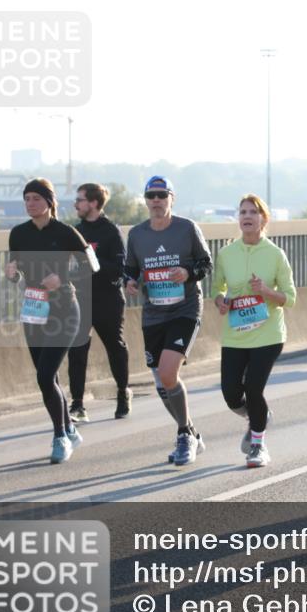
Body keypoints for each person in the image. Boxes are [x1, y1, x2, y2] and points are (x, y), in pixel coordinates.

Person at [5, 178, 99, 463]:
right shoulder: (18, 234)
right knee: (47, 380)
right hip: (34, 311)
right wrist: (13, 275)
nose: (30, 203)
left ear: (49, 202)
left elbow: (92, 265)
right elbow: (17, 271)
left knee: (45, 375)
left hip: (64, 311)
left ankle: (60, 437)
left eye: (36, 198)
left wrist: (64, 278)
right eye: (27, 198)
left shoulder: (66, 232)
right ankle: (69, 428)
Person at [124, 176, 211, 465]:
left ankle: (184, 434)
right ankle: (191, 432)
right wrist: (130, 282)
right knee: (162, 382)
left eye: (162, 194)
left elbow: (205, 263)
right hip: (153, 313)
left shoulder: (186, 228)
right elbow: (130, 270)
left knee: (168, 372)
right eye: (151, 195)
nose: (156, 200)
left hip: (184, 309)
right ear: (146, 200)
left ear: (172, 198)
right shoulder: (137, 234)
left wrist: (188, 273)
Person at [212, 194, 297, 468]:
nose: (247, 216)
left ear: (263, 219)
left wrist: (266, 291)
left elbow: (290, 297)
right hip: (235, 334)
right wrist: (220, 300)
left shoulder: (275, 254)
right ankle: (259, 416)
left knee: (253, 387)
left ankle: (258, 445)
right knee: (231, 394)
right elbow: (216, 289)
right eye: (243, 212)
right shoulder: (226, 254)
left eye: (253, 212)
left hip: (268, 334)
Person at [67, 183, 132, 422]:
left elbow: (119, 269)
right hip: (81, 298)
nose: (76, 204)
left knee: (115, 347)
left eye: (80, 200)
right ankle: (77, 404)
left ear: (93, 203)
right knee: (77, 351)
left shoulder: (111, 231)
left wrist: (92, 260)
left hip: (108, 299)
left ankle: (123, 393)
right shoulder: (76, 231)